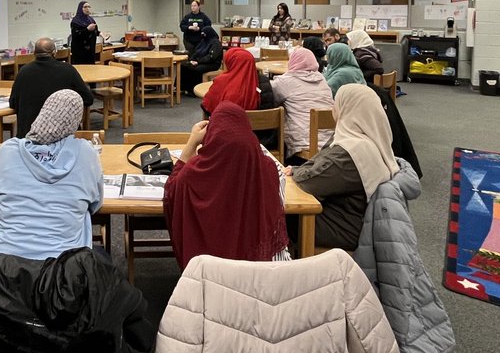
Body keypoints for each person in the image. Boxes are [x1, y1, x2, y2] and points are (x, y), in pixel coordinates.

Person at [163, 104, 290, 269]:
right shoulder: (268, 169)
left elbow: (171, 190)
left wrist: (192, 143)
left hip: (206, 272)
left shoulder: (194, 171)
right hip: (256, 272)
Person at [292, 84, 415, 251]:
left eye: (336, 103)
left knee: (280, 216)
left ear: (346, 108)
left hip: (347, 228)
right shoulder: (371, 139)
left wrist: (295, 171)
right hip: (356, 219)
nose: (333, 107)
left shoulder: (350, 153)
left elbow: (307, 182)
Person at [0, 90, 103, 261]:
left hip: (1, 270)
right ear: (76, 121)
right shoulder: (85, 153)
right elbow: (96, 203)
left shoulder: (7, 151)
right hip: (61, 273)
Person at [9, 37, 94, 137]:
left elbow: (13, 103)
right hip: (60, 136)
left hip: (29, 136)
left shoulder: (23, 71)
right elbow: (88, 99)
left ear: (34, 53)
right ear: (54, 52)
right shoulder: (67, 70)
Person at [270, 46, 335, 164]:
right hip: (331, 140)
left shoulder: (285, 82)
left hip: (302, 143)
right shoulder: (321, 79)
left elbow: (271, 100)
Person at [201, 46, 274, 116]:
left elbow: (207, 108)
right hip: (256, 127)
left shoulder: (220, 82)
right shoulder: (264, 82)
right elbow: (268, 111)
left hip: (226, 127)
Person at [179, 25, 223, 96]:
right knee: (184, 65)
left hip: (212, 64)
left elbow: (212, 57)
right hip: (200, 61)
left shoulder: (216, 43)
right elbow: (196, 52)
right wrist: (192, 60)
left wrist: (198, 62)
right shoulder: (203, 41)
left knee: (196, 69)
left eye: (204, 33)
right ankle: (181, 87)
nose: (202, 35)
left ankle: (194, 89)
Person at [68, 1, 99, 65]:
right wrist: (87, 29)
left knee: (91, 70)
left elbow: (95, 31)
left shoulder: (91, 20)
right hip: (80, 52)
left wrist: (101, 33)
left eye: (88, 7)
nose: (87, 8)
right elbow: (76, 35)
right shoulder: (75, 21)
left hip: (91, 51)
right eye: (85, 7)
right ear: (80, 8)